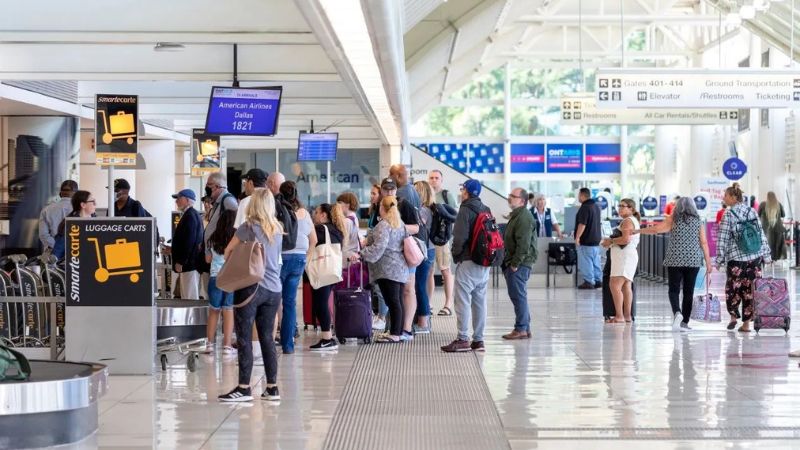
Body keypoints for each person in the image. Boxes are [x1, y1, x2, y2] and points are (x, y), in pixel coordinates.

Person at [218, 189, 283, 403]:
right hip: (274, 289)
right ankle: (272, 387)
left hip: (251, 287)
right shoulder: (277, 228)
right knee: (267, 338)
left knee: (244, 337)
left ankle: (244, 388)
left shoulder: (248, 228)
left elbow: (228, 251)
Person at [638, 197, 712, 331]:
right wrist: (708, 262)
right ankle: (685, 323)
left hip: (675, 259)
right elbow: (704, 243)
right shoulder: (697, 221)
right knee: (688, 292)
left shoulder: (673, 219)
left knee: (674, 289)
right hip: (693, 260)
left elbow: (656, 230)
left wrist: (638, 231)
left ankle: (677, 312)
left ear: (677, 206)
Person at [441, 180, 491, 353]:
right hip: (484, 262)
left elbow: (459, 237)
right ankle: (478, 340)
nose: (461, 192)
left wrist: (456, 256)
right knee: (479, 301)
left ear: (466, 192)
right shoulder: (485, 209)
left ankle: (462, 339)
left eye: (462, 189)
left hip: (469, 261)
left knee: (462, 300)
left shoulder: (465, 209)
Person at [715, 183, 772, 333]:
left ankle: (733, 316)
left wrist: (719, 259)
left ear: (734, 197)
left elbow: (723, 239)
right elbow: (760, 234)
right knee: (750, 291)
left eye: (726, 195)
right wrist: (767, 255)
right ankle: (746, 325)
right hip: (754, 258)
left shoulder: (728, 214)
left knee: (732, 288)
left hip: (736, 259)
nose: (724, 198)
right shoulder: (752, 211)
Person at [372, 177, 420, 340]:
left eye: (392, 189)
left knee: (406, 291)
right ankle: (394, 329)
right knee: (394, 297)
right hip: (387, 260)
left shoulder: (403, 204)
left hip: (403, 255)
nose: (389, 192)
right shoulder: (378, 206)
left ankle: (404, 329)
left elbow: (416, 227)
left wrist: (395, 227)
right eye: (386, 189)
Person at [357, 196, 408, 343]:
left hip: (387, 269)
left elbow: (378, 248)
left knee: (393, 302)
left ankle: (395, 334)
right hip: (400, 267)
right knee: (398, 301)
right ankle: (398, 332)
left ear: (382, 208)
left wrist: (361, 254)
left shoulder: (384, 225)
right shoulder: (400, 224)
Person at [279, 181, 316, 354]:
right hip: (299, 259)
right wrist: (306, 260)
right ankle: (288, 345)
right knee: (290, 303)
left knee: (272, 301)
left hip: (280, 259)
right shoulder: (305, 213)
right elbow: (313, 240)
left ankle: (269, 340)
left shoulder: (278, 212)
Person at [308, 203, 348, 351]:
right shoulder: (337, 230)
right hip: (332, 271)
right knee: (322, 303)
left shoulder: (320, 230)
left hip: (322, 271)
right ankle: (327, 337)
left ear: (324, 215)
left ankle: (327, 338)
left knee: (320, 304)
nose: (315, 215)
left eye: (317, 212)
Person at [502, 187, 537, 340]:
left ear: (522, 201)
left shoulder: (523, 217)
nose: (509, 198)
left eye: (513, 196)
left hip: (519, 263)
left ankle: (521, 328)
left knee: (518, 296)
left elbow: (523, 244)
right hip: (516, 261)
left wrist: (515, 264)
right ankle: (525, 327)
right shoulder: (517, 215)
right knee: (518, 295)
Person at [601, 198, 641, 323]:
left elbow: (625, 239)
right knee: (626, 286)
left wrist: (610, 241)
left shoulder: (628, 221)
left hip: (624, 257)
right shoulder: (630, 220)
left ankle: (619, 316)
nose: (620, 208)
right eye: (619, 206)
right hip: (627, 256)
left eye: (623, 206)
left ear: (631, 209)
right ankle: (627, 315)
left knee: (614, 284)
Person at [205, 209, 236, 354]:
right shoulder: (236, 239)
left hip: (214, 278)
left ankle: (210, 344)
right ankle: (227, 345)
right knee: (228, 310)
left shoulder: (212, 239)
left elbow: (208, 259)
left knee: (213, 311)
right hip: (230, 279)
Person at [427, 170, 457, 316]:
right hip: (428, 238)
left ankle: (448, 304)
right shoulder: (426, 195)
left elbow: (454, 215)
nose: (434, 180)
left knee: (445, 270)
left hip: (442, 238)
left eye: (436, 178)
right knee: (429, 271)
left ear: (441, 180)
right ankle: (428, 303)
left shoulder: (446, 195)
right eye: (431, 178)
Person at [171, 189, 204, 301]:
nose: (176, 202)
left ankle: (192, 319)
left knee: (189, 297)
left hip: (189, 264)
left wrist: (181, 261)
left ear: (187, 200)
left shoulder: (190, 216)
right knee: (188, 295)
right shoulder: (191, 215)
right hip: (190, 263)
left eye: (179, 198)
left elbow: (189, 241)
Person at [413, 180, 435, 333]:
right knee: (419, 285)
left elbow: (417, 228)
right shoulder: (429, 209)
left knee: (419, 286)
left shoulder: (423, 211)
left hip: (423, 250)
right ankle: (422, 320)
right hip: (428, 249)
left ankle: (423, 322)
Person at [575, 187, 603, 289]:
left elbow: (582, 224)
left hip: (586, 240)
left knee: (586, 261)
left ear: (582, 195)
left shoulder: (585, 207)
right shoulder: (595, 206)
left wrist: (577, 237)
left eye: (578, 195)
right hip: (596, 240)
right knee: (595, 261)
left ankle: (589, 281)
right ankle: (597, 280)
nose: (578, 197)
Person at [40, 180, 77, 255]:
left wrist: (58, 246)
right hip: (76, 252)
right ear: (76, 193)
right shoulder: (82, 209)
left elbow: (43, 234)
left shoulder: (46, 209)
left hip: (52, 253)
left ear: (60, 193)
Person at [758, 191, 787, 262]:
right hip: (778, 229)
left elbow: (758, 214)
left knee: (766, 244)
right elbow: (783, 215)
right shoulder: (779, 204)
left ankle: (766, 259)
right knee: (777, 245)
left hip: (765, 229)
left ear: (767, 197)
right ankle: (775, 258)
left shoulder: (762, 204)